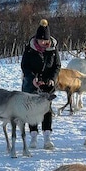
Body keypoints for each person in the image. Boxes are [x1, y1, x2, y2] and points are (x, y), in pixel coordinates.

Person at [21, 19, 60, 149]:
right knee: (32, 110)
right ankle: (33, 137)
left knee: (46, 109)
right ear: (36, 39)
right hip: (32, 84)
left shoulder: (53, 49)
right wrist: (32, 78)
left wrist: (52, 78)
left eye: (46, 40)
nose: (43, 43)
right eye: (41, 40)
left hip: (48, 84)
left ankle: (47, 137)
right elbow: (25, 66)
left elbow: (57, 66)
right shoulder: (30, 49)